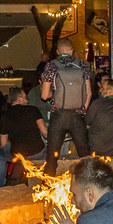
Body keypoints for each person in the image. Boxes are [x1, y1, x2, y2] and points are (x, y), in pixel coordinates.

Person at [40, 39, 92, 175]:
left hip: (59, 116)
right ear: (71, 51)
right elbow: (89, 92)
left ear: (58, 52)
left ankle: (47, 190)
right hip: (77, 115)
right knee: (85, 155)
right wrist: (83, 110)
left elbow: (44, 95)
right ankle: (91, 186)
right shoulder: (82, 65)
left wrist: (53, 93)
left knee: (52, 156)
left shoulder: (51, 65)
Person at [0, 87, 47, 187]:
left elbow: (3, 144)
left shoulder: (5, 115)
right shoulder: (33, 109)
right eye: (25, 98)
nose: (27, 100)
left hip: (19, 155)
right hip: (37, 152)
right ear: (19, 99)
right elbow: (45, 133)